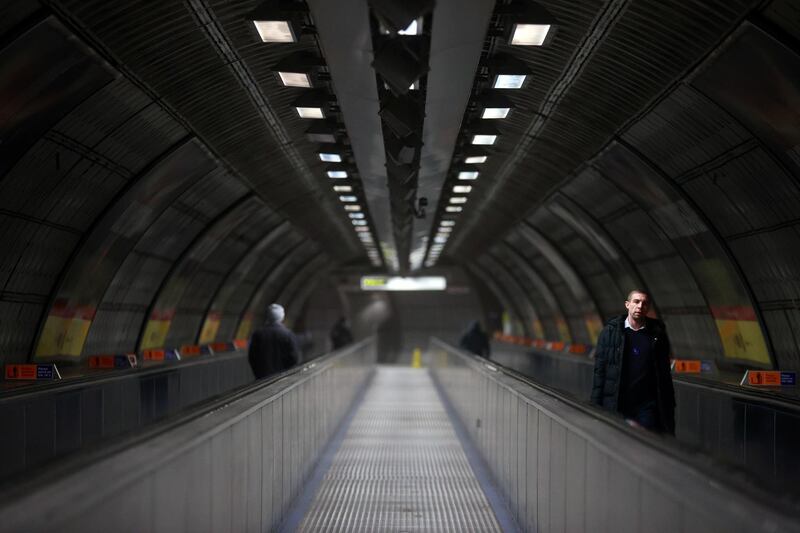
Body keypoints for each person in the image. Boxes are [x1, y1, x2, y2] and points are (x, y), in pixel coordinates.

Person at [590, 289, 676, 434]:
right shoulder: (610, 333)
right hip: (617, 403)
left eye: (644, 303)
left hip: (646, 406)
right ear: (627, 304)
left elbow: (664, 374)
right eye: (636, 302)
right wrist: (595, 405)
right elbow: (600, 371)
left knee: (645, 444)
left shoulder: (657, 335)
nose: (640, 306)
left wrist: (668, 406)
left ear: (648, 308)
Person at [247, 303, 299, 380]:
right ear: (282, 316)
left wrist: (258, 373)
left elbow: (252, 356)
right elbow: (294, 357)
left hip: (262, 377)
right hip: (282, 376)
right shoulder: (288, 334)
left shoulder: (258, 334)